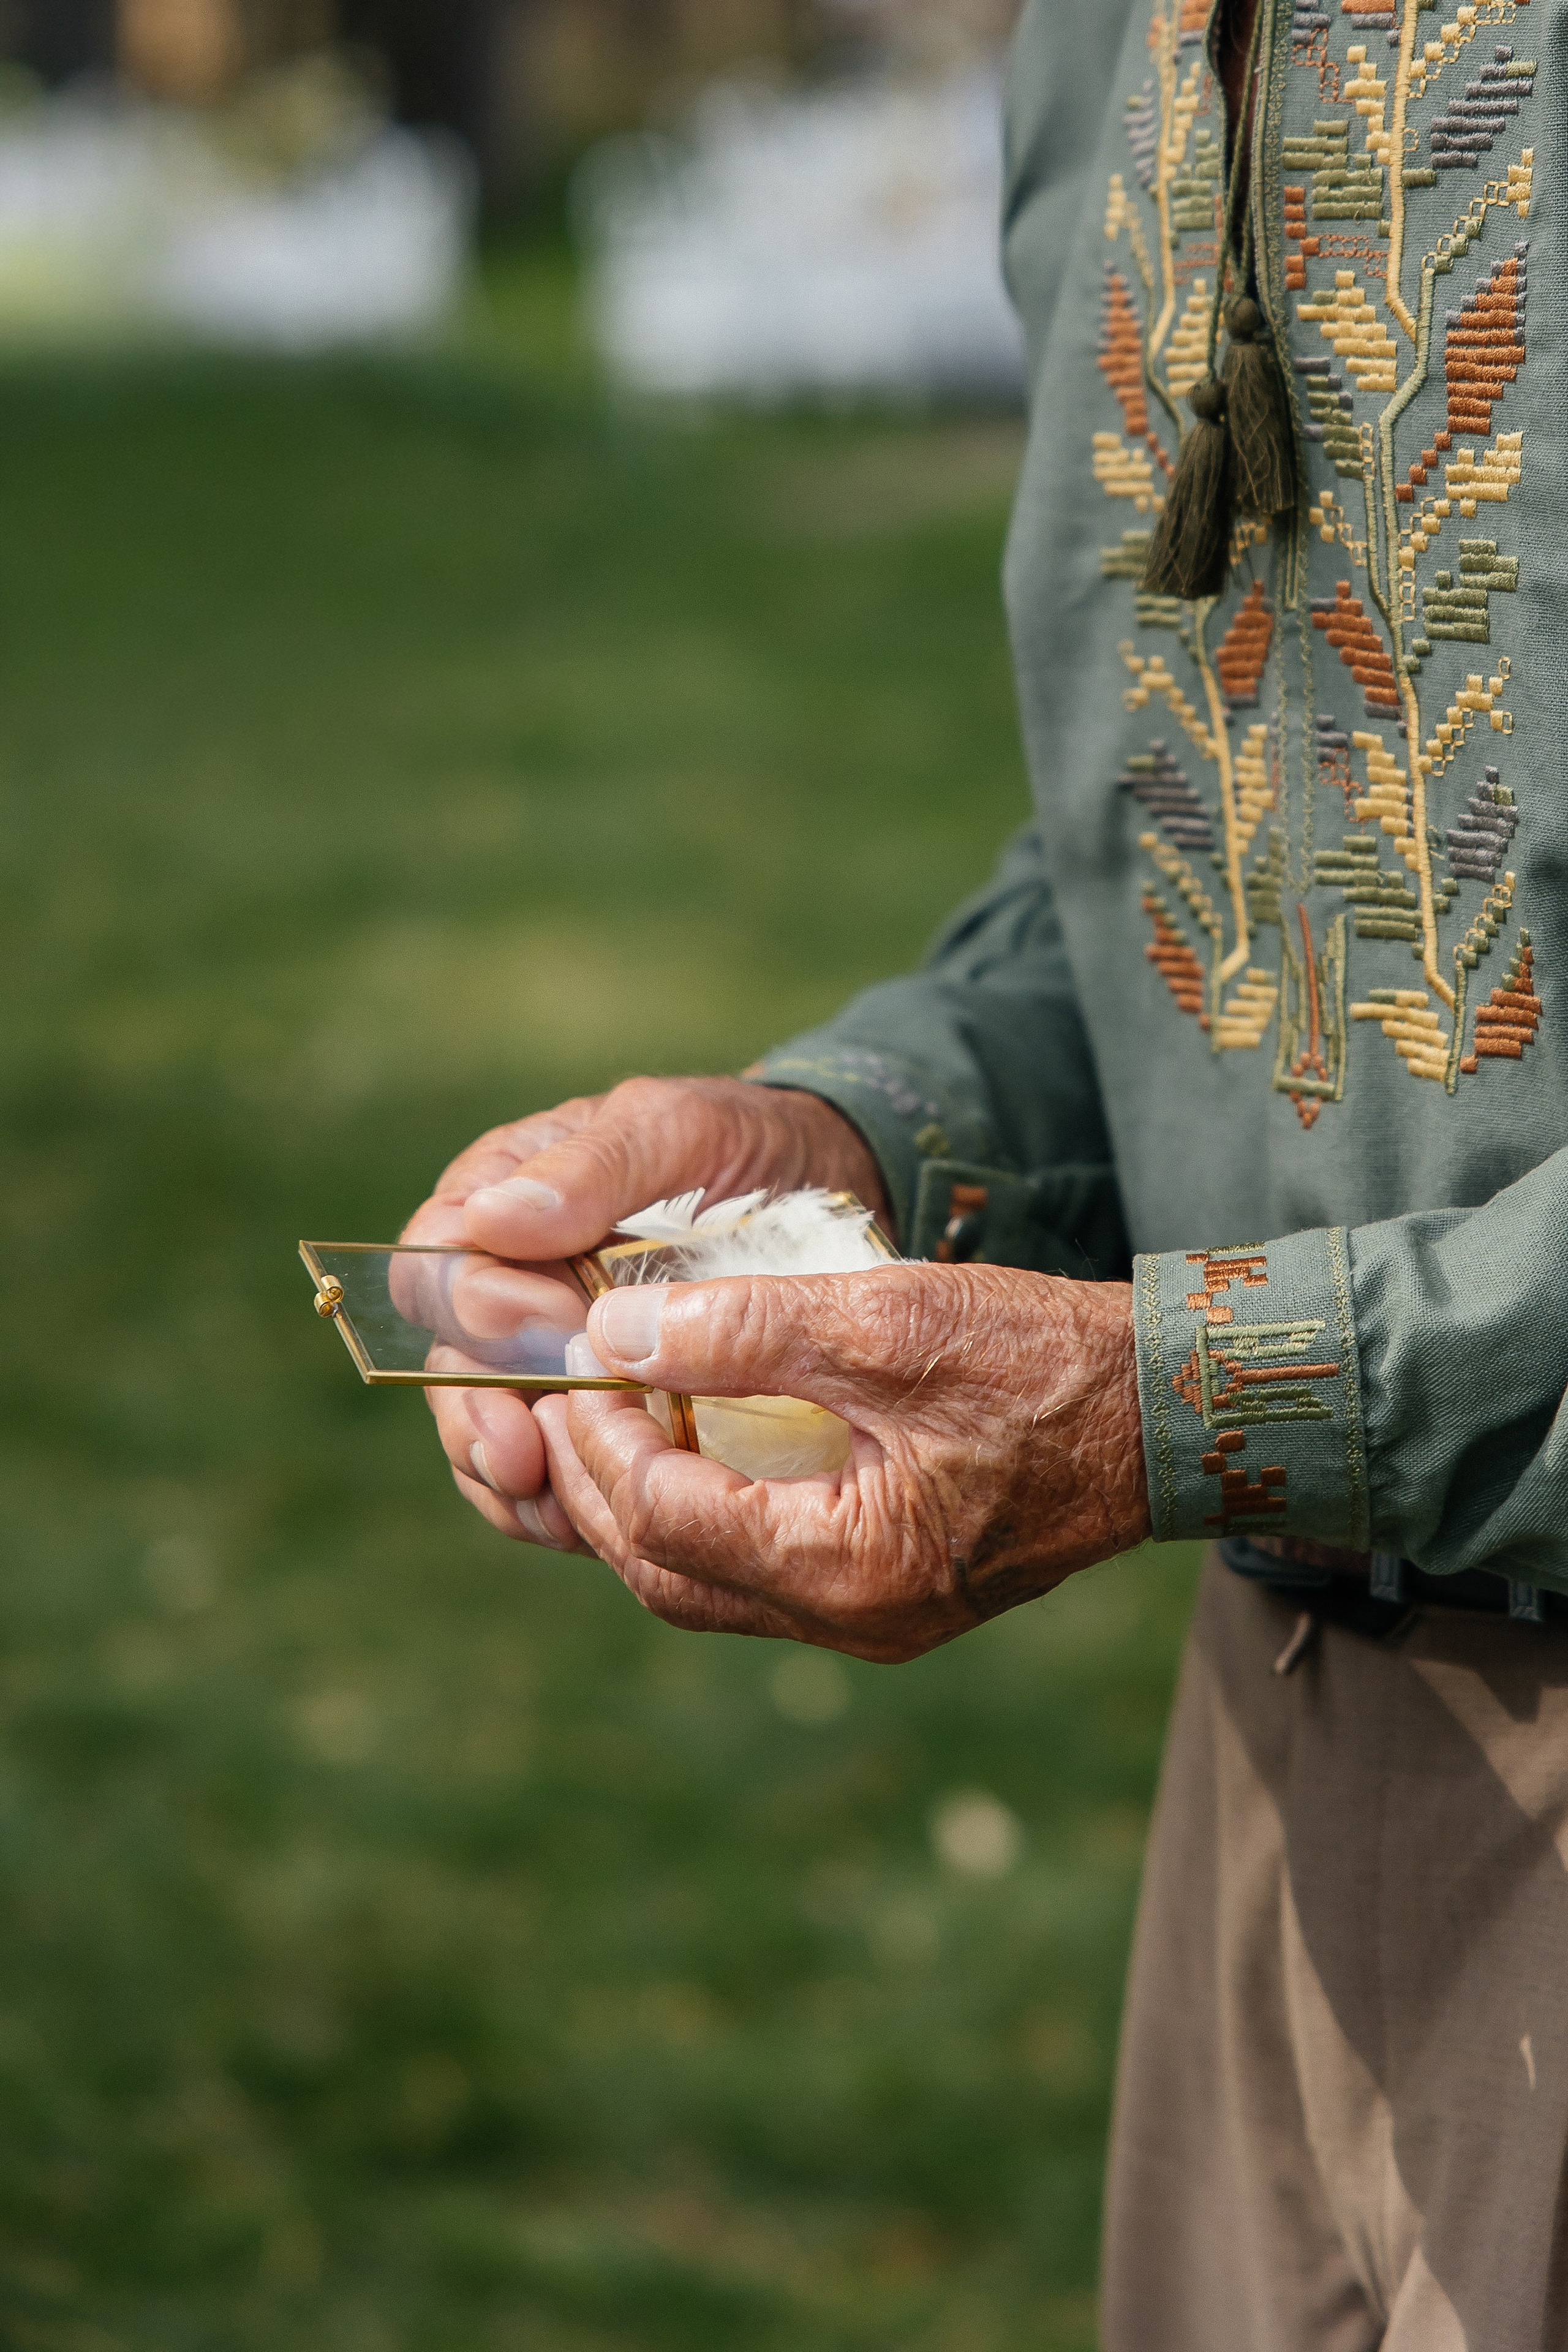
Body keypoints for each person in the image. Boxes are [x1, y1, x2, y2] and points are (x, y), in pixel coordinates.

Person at [402, 1, 1568, 2341]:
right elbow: (1191, 847)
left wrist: (1200, 1395)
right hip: (1277, 1756)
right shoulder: (1109, 38)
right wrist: (860, 1143)